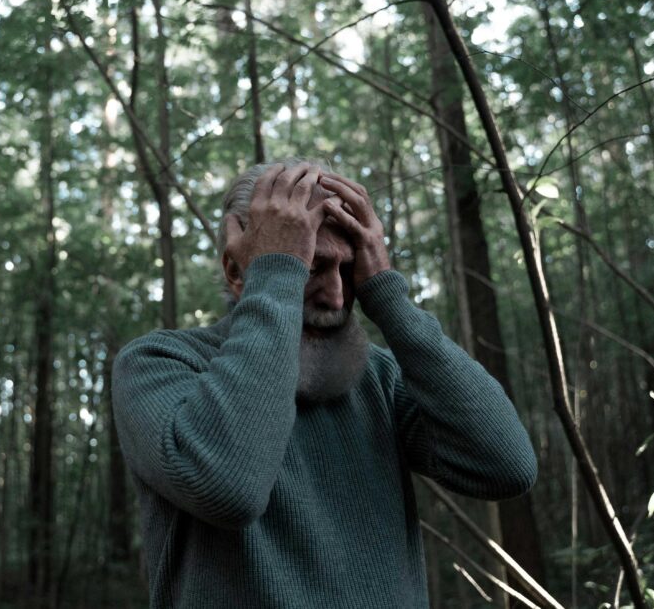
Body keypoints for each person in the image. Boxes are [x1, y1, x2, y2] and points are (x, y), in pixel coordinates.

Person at [112, 160, 537, 608]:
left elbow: (507, 466)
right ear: (237, 273)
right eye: (312, 266)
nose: (336, 297)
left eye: (348, 269)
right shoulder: (160, 364)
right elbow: (228, 487)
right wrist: (277, 271)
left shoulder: (379, 380)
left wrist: (386, 293)